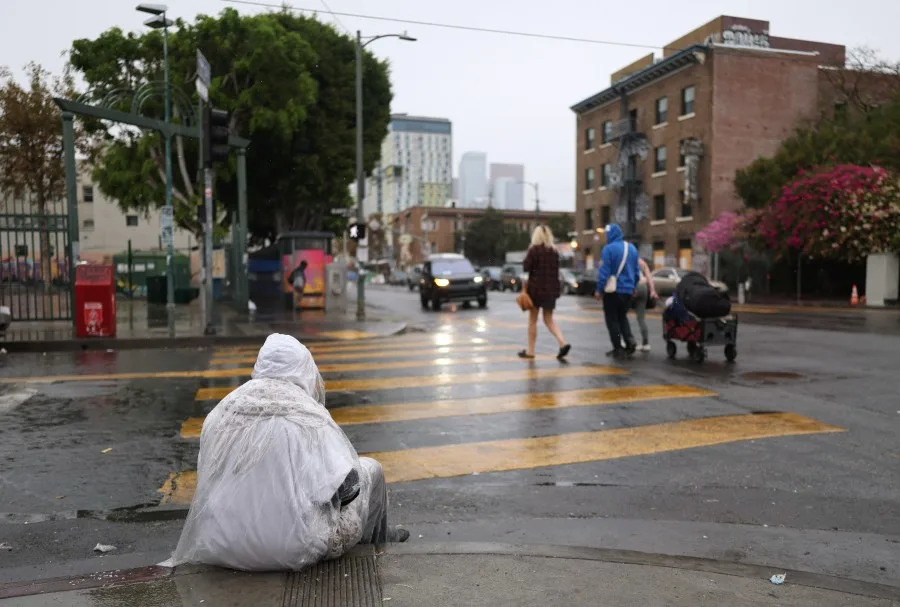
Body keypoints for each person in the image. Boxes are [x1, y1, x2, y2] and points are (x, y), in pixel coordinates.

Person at [165, 334, 407, 571]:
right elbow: (347, 490)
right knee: (371, 469)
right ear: (303, 369)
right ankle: (379, 539)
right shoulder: (307, 416)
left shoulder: (221, 411)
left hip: (216, 543)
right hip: (293, 549)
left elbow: (208, 481)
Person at [518, 225, 571, 360]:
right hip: (551, 291)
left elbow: (525, 268)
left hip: (535, 290)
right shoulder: (554, 251)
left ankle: (531, 351)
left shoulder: (534, 250)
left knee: (533, 320)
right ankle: (562, 343)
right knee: (549, 319)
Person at [595, 224, 640, 359]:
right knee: (622, 317)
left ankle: (618, 348)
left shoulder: (608, 249)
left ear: (610, 234)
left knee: (612, 320)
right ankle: (630, 341)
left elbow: (605, 272)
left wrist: (599, 289)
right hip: (627, 291)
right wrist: (633, 287)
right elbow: (637, 272)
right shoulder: (631, 248)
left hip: (613, 291)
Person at [632, 258, 659, 352]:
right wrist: (652, 290)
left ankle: (626, 341)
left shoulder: (626, 258)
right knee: (641, 318)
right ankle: (646, 343)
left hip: (632, 287)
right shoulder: (641, 262)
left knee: (621, 316)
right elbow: (649, 277)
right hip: (643, 287)